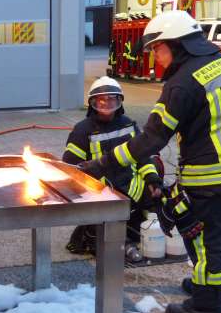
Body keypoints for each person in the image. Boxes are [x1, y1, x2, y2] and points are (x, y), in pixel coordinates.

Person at [80, 10, 221, 313]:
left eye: (157, 48)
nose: (155, 57)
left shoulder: (182, 83)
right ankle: (204, 283)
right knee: (215, 233)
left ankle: (208, 306)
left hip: (212, 176)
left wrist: (102, 163)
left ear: (176, 43)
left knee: (206, 239)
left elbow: (152, 138)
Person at [62, 76, 161, 262]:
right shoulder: (82, 131)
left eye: (111, 99)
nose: (106, 104)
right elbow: (71, 168)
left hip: (130, 185)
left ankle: (151, 230)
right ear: (92, 103)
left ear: (119, 101)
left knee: (156, 195)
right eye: (101, 100)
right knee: (104, 233)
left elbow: (142, 156)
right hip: (101, 191)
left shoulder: (128, 124)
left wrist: (152, 179)